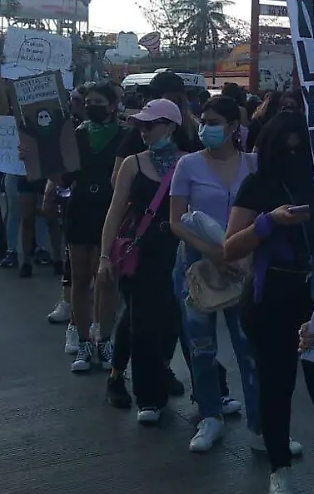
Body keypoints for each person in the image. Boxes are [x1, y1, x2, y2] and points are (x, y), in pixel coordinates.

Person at [222, 108, 314, 494]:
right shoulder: (258, 186)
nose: (295, 156)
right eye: (287, 149)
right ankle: (279, 469)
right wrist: (269, 222)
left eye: (302, 149)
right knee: (276, 387)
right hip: (271, 300)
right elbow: (230, 247)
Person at [169, 96, 260, 453]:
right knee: (200, 344)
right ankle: (209, 415)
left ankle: (260, 424)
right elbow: (176, 221)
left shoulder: (254, 164)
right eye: (203, 121)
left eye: (214, 122)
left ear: (234, 127)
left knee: (248, 345)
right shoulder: (188, 165)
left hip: (245, 263)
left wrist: (240, 253)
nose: (207, 127)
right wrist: (212, 251)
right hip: (198, 262)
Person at [97, 99, 185, 425]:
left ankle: (155, 370)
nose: (144, 131)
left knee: (172, 322)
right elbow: (115, 212)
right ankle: (147, 395)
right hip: (141, 254)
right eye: (141, 126)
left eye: (150, 125)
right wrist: (105, 256)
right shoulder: (132, 164)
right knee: (143, 325)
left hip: (178, 253)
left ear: (171, 126)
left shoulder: (188, 162)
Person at [58, 82, 124, 374]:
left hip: (110, 212)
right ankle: (83, 341)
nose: (91, 105)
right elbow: (63, 179)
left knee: (106, 279)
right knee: (81, 278)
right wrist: (36, 159)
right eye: (88, 101)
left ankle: (104, 340)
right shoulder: (76, 135)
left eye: (98, 101)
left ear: (112, 105)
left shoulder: (126, 136)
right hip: (80, 209)